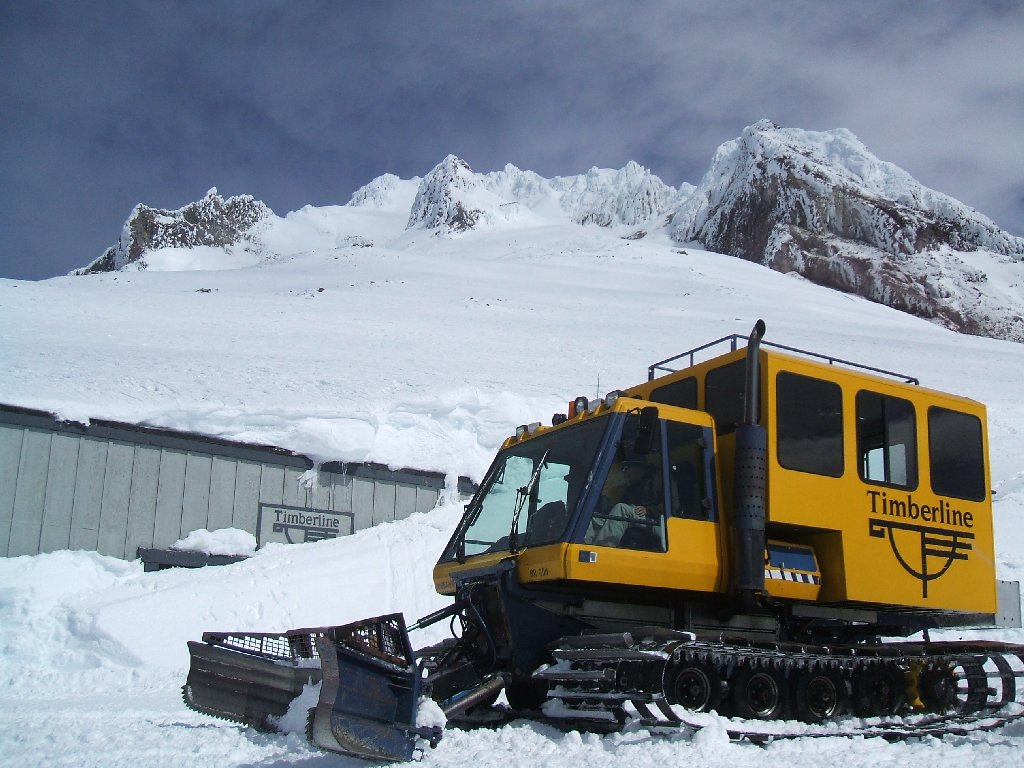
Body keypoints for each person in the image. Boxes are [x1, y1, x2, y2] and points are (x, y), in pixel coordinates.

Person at [585, 460, 662, 547]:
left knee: (621, 508)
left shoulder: (660, 480)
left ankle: (604, 547)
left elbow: (672, 507)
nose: (624, 472)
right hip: (637, 517)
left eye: (626, 468)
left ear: (638, 468)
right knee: (593, 517)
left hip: (659, 523)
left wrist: (650, 510)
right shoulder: (633, 487)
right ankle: (584, 544)